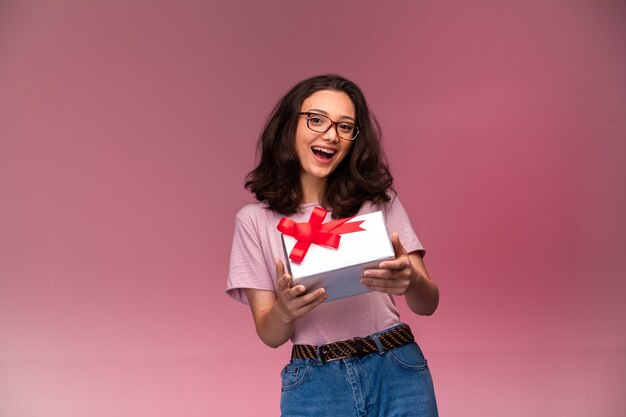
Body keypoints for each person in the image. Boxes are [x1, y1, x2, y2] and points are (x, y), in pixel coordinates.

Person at [226, 74, 439, 417]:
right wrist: (284, 309)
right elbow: (270, 334)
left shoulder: (378, 203)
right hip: (315, 383)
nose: (330, 135)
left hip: (398, 369)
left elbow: (428, 303)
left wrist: (412, 282)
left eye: (345, 126)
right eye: (316, 119)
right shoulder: (253, 221)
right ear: (288, 127)